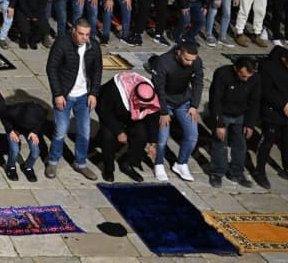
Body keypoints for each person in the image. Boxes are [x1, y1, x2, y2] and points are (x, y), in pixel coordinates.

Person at [44, 18, 101, 180]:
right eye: (81, 34)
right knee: (61, 129)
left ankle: (80, 163)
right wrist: (57, 94)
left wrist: (94, 93)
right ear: (73, 31)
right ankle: (53, 160)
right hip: (65, 94)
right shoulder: (62, 44)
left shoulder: (93, 46)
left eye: (87, 34)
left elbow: (97, 71)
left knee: (85, 131)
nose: (84, 38)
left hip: (84, 95)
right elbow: (51, 69)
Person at [253, 45, 288, 189]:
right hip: (273, 113)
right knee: (267, 142)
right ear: (283, 59)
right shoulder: (268, 68)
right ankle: (260, 171)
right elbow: (266, 90)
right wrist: (283, 104)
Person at [149, 41, 204, 182]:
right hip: (164, 101)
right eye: (187, 59)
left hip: (184, 100)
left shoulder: (195, 61)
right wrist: (163, 112)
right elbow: (158, 89)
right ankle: (159, 163)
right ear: (179, 52)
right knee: (162, 137)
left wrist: (194, 105)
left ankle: (181, 163)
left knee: (192, 135)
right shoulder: (163, 62)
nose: (190, 63)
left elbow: (198, 82)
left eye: (193, 60)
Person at [96, 72, 159, 182]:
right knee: (108, 138)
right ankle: (108, 168)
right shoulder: (114, 90)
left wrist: (153, 143)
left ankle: (127, 163)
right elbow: (104, 111)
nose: (144, 107)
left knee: (141, 136)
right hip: (112, 114)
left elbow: (153, 118)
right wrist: (119, 131)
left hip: (132, 117)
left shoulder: (151, 92)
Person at [208, 56, 260, 188]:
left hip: (241, 115)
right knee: (220, 143)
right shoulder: (222, 73)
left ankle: (236, 173)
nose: (246, 79)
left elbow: (254, 102)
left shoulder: (255, 77)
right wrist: (219, 124)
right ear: (236, 69)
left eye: (248, 76)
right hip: (223, 113)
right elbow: (215, 100)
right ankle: (217, 173)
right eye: (243, 76)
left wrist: (250, 124)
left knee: (240, 145)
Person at [2, 100, 49, 182]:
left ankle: (28, 167)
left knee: (36, 151)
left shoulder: (41, 111)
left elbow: (42, 121)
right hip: (15, 128)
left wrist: (35, 132)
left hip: (31, 131)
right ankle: (10, 166)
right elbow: (3, 115)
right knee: (14, 150)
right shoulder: (13, 110)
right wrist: (10, 130)